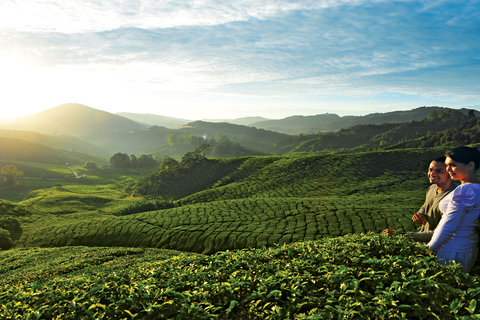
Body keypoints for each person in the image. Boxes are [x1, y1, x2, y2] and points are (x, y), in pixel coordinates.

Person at [427, 146, 480, 273]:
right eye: (446, 165)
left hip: (452, 251)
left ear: (470, 166)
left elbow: (448, 224)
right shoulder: (476, 188)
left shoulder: (465, 190)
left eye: (453, 165)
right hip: (467, 249)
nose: (448, 169)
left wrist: (430, 248)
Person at [383, 156, 456, 242]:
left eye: (439, 171)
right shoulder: (432, 188)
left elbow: (441, 233)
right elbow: (425, 206)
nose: (432, 174)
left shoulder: (454, 198)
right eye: (430, 170)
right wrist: (420, 214)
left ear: (450, 173)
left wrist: (401, 234)